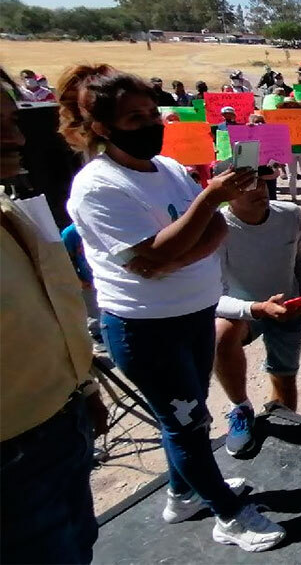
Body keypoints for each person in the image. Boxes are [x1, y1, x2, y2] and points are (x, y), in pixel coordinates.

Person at [59, 64, 285, 551]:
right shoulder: (98, 187)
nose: (150, 126)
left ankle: (182, 493)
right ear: (101, 127)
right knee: (185, 422)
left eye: (151, 114)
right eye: (134, 119)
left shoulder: (170, 169)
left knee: (186, 414)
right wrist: (205, 205)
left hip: (193, 314)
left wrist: (178, 247)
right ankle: (228, 516)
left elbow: (211, 235)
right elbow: (155, 256)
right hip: (145, 328)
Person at [1, 68, 107, 563]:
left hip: (61, 422)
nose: (15, 135)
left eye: (13, 119)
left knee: (78, 546)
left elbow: (51, 312)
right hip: (11, 454)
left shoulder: (12, 213)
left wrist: (82, 387)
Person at [213, 166, 301, 456]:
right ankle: (240, 409)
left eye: (261, 182)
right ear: (226, 193)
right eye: (246, 185)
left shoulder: (290, 214)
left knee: (285, 379)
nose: (259, 190)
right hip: (244, 310)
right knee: (220, 336)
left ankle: (281, 426)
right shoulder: (215, 228)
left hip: (288, 308)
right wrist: (256, 309)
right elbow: (212, 297)